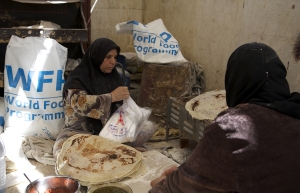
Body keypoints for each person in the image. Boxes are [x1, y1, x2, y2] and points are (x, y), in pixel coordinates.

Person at [149, 42, 300, 193]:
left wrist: (162, 184)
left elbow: (175, 189)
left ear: (234, 82)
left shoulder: (232, 126)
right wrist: (189, 174)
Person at [53, 38, 130, 157]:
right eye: (108, 57)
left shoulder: (113, 77)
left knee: (146, 129)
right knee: (66, 155)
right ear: (96, 56)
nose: (113, 62)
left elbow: (121, 108)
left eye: (115, 57)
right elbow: (79, 103)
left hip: (108, 131)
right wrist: (111, 97)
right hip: (78, 132)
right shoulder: (78, 77)